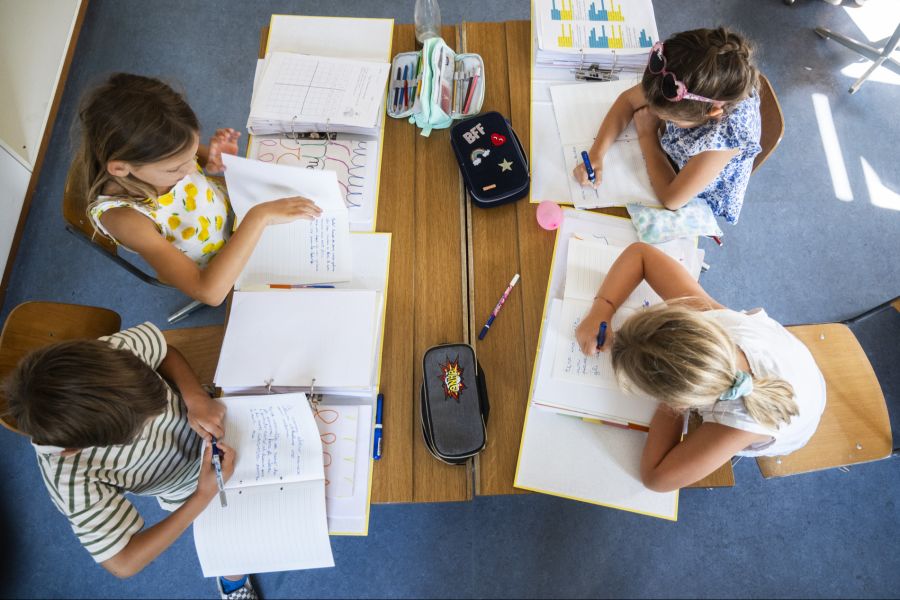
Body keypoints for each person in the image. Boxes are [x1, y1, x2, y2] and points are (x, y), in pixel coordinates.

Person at [4, 323, 257, 599]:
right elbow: (123, 563)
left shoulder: (110, 355)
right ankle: (233, 579)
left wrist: (195, 398)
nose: (157, 416)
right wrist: (201, 496)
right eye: (140, 428)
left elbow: (164, 351)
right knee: (233, 544)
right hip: (188, 488)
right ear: (73, 450)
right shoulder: (69, 478)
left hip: (213, 412)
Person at [574, 243, 825, 492]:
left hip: (798, 413)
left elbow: (655, 478)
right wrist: (602, 309)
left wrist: (673, 402)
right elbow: (640, 254)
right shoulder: (712, 321)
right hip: (796, 368)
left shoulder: (734, 424)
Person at [74, 73, 322, 306]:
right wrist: (259, 217)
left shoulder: (167, 155)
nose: (192, 168)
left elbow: (196, 162)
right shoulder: (124, 218)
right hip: (219, 266)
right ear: (121, 168)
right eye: (176, 169)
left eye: (192, 155)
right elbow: (210, 293)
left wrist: (216, 160)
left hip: (238, 212)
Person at [573, 27, 762, 225]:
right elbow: (629, 100)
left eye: (670, 119)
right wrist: (597, 153)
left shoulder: (726, 139)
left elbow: (672, 199)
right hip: (677, 152)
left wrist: (647, 136)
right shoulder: (680, 73)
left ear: (712, 112)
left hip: (696, 190)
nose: (655, 112)